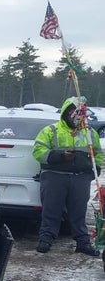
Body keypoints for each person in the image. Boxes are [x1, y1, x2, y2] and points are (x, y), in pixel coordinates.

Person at [32, 97, 103, 256]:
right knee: (51, 209)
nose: (75, 117)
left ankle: (82, 242)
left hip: (80, 178)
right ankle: (46, 239)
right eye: (72, 113)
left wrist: (95, 169)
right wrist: (60, 156)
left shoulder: (89, 133)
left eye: (78, 114)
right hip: (54, 176)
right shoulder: (51, 130)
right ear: (65, 114)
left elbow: (97, 153)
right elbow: (38, 151)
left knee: (79, 211)